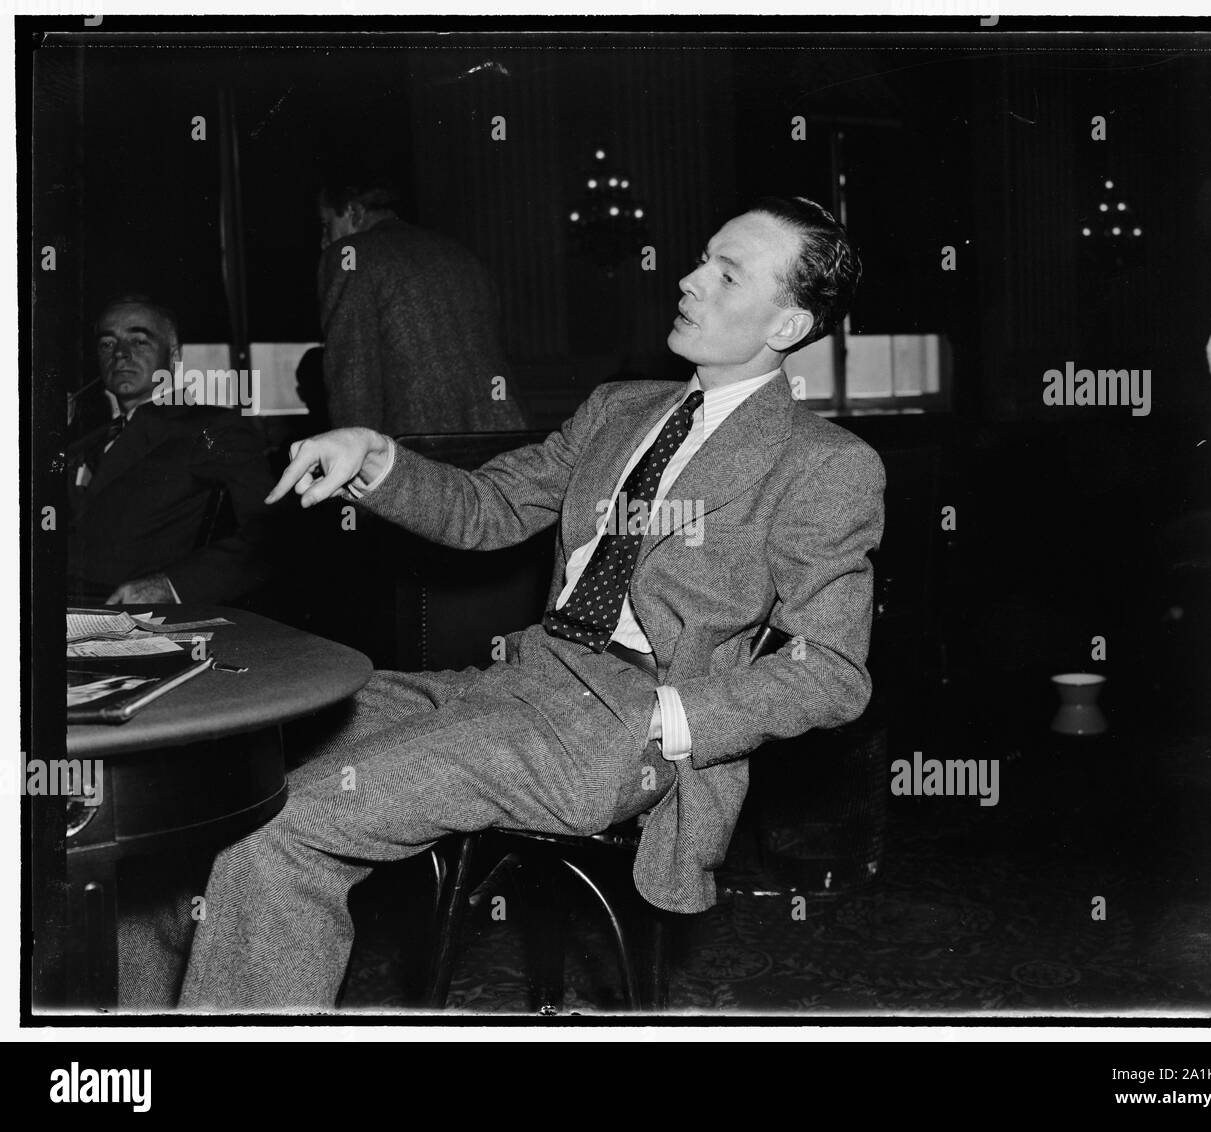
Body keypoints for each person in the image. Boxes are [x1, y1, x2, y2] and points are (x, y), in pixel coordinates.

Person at [180, 196, 885, 1010]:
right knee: (214, 781)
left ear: (788, 327)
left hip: (620, 727)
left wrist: (669, 718)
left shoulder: (825, 464)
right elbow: (490, 510)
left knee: (284, 826)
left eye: (726, 276)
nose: (688, 281)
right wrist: (374, 456)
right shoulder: (621, 408)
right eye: (701, 259)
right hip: (514, 680)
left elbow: (829, 671)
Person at [66, 296, 275, 605]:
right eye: (107, 344)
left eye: (139, 341)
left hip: (135, 617)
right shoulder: (83, 439)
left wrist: (172, 586)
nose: (121, 355)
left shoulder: (212, 426)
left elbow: (271, 532)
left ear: (174, 355)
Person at [316, 174, 528, 435]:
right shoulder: (459, 252)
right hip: (502, 431)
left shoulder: (351, 256)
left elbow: (353, 381)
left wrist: (354, 455)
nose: (324, 241)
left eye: (326, 225)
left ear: (353, 212)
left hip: (421, 448)